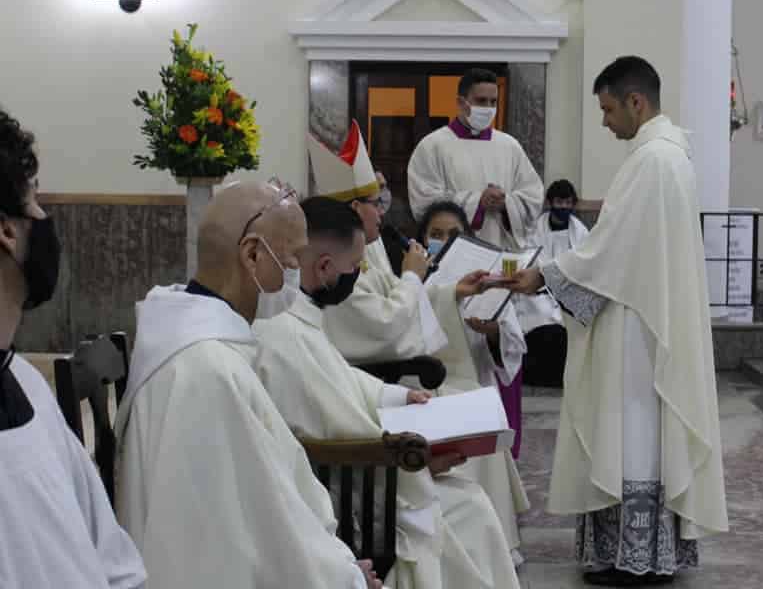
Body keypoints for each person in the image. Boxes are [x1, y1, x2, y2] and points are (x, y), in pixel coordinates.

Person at [506, 56, 728, 585]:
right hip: (645, 313)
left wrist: (545, 277)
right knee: (639, 434)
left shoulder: (653, 161)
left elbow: (610, 249)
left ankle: (638, 562)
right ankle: (638, 555)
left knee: (633, 434)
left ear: (636, 102)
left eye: (608, 109)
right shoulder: (669, 156)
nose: (605, 122)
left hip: (637, 328)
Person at [115, 180, 382, 589]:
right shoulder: (208, 369)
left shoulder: (196, 340)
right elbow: (264, 523)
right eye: (292, 258)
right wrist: (344, 578)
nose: (297, 273)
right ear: (253, 254)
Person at [253, 196, 522, 589]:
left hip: (356, 474)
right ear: (324, 267)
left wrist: (396, 397)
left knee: (472, 503)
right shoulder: (283, 334)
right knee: (471, 511)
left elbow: (342, 379)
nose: (358, 272)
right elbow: (338, 424)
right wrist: (415, 458)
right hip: (351, 499)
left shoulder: (298, 321)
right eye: (355, 266)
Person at [307, 121, 530, 559]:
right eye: (376, 202)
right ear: (355, 207)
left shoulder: (367, 247)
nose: (383, 211)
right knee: (468, 402)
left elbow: (395, 307)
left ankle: (494, 542)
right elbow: (387, 323)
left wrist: (451, 291)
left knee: (477, 400)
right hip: (378, 391)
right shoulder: (342, 261)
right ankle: (473, 546)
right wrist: (414, 274)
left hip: (384, 382)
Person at [0, 108, 147, 589]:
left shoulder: (26, 383)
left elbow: (112, 559)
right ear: (7, 231)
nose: (45, 219)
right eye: (36, 201)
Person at [417, 200, 527, 459]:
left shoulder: (485, 282)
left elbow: (513, 345)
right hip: (427, 396)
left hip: (477, 391)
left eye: (454, 235)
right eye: (436, 234)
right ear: (422, 238)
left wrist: (493, 333)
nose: (445, 241)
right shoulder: (412, 280)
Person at [407, 68, 544, 251]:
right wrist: (477, 203)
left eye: (493, 101)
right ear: (460, 103)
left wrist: (506, 203)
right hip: (452, 251)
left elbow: (533, 195)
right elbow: (424, 203)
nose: (488, 108)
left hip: (501, 250)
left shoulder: (510, 146)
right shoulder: (432, 146)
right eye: (481, 101)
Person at [516, 179, 590, 388]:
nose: (564, 207)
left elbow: (584, 264)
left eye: (568, 203)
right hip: (538, 292)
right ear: (550, 202)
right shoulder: (535, 230)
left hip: (569, 292)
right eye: (559, 202)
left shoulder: (581, 231)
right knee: (538, 317)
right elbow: (527, 258)